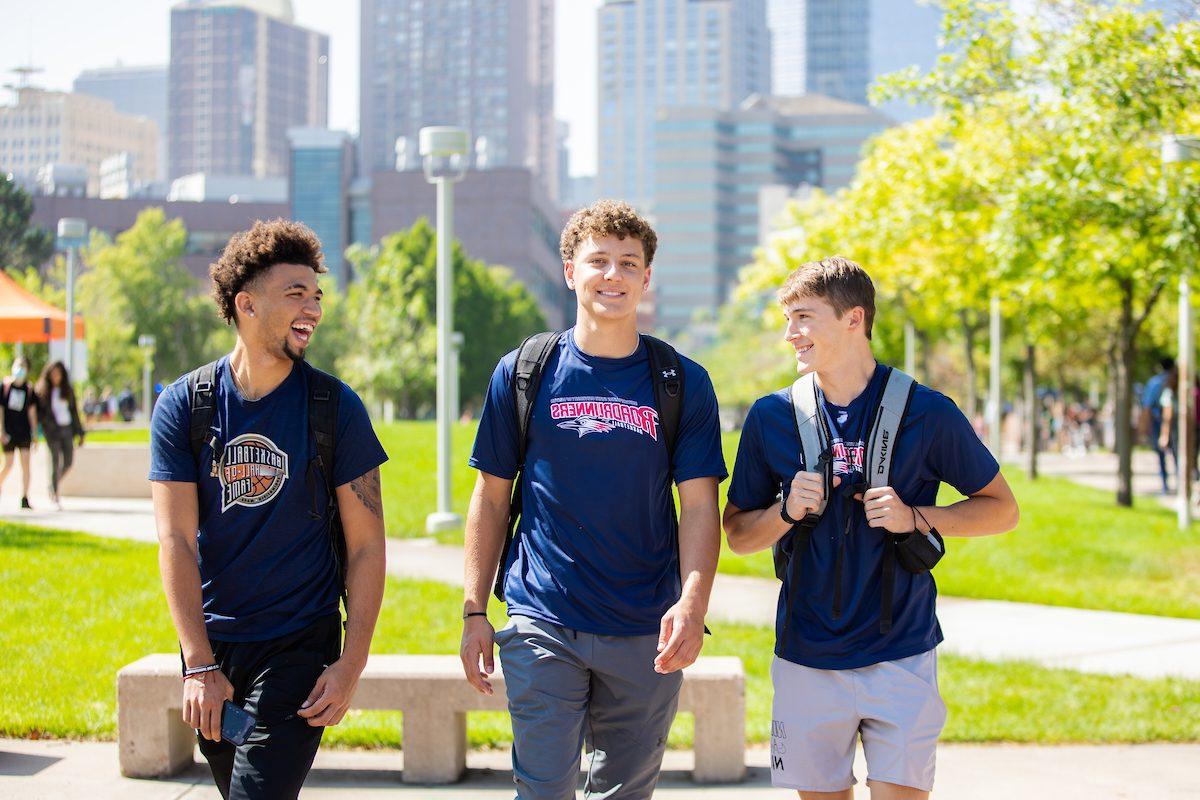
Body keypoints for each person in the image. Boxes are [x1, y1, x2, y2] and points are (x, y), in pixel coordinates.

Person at [723, 257, 1019, 800]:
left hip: (901, 653)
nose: (791, 334)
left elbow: (1002, 509)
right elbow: (738, 534)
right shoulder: (771, 417)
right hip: (806, 656)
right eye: (788, 319)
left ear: (853, 319)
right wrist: (785, 512)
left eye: (803, 317)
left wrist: (916, 517)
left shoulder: (927, 412)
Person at [459, 200, 727, 800]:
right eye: (598, 260)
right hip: (542, 619)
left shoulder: (681, 381)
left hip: (645, 627)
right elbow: (492, 496)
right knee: (544, 787)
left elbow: (700, 507)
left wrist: (692, 602)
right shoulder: (525, 371)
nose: (613, 275)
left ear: (646, 279)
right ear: (569, 271)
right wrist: (475, 609)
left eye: (628, 263)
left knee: (622, 793)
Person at [149, 219, 389, 800]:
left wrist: (351, 661)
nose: (313, 308)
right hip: (216, 646)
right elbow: (176, 541)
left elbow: (366, 545)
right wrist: (199, 664)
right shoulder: (187, 405)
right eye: (295, 294)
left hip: (299, 645)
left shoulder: (335, 408)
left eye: (317, 295)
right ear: (246, 304)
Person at [35, 360, 85, 510]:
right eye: (53, 374)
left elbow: (74, 412)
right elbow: (41, 414)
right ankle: (55, 495)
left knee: (68, 461)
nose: (56, 376)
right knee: (55, 461)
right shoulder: (44, 391)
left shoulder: (67, 390)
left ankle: (52, 484)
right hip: (52, 431)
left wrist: (80, 432)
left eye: (58, 373)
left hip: (67, 429)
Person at [0, 356, 39, 509]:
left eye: (23, 366)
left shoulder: (29, 390)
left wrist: (35, 433)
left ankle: (24, 497)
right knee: (8, 464)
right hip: (9, 432)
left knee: (26, 465)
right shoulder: (4, 387)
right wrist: (1, 430)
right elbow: (1, 410)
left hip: (24, 433)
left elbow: (32, 413)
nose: (20, 369)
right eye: (18, 365)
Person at [1142, 357, 1177, 494]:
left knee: (1161, 454)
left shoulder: (1155, 382)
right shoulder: (1177, 380)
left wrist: (1144, 426)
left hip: (1159, 420)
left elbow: (1147, 406)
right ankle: (1181, 483)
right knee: (1177, 453)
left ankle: (1165, 485)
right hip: (1174, 421)